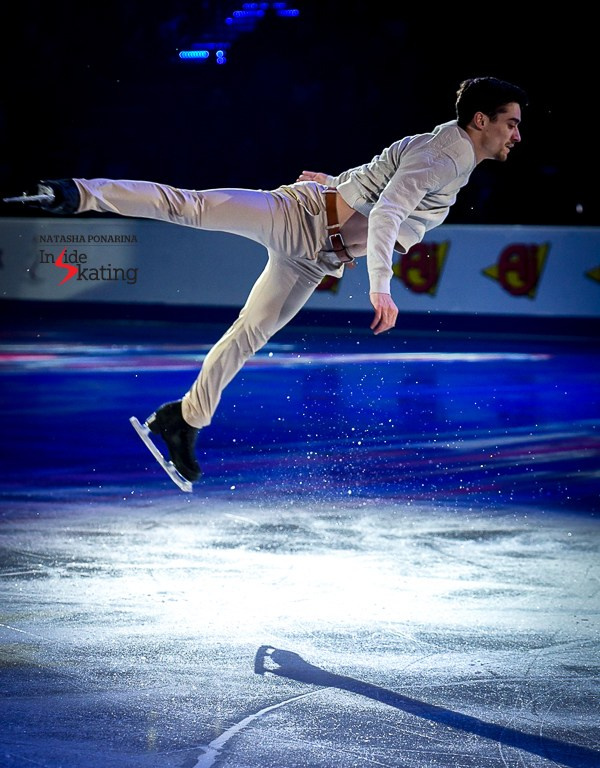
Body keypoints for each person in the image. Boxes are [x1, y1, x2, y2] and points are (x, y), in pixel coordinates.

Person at [10, 76, 527, 490]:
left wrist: (335, 182)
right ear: (480, 120)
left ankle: (183, 420)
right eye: (510, 123)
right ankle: (77, 194)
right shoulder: (445, 155)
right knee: (189, 205)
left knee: (248, 334)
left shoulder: (450, 157)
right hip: (297, 216)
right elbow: (389, 212)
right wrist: (381, 287)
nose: (517, 135)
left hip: (316, 255)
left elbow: (379, 188)